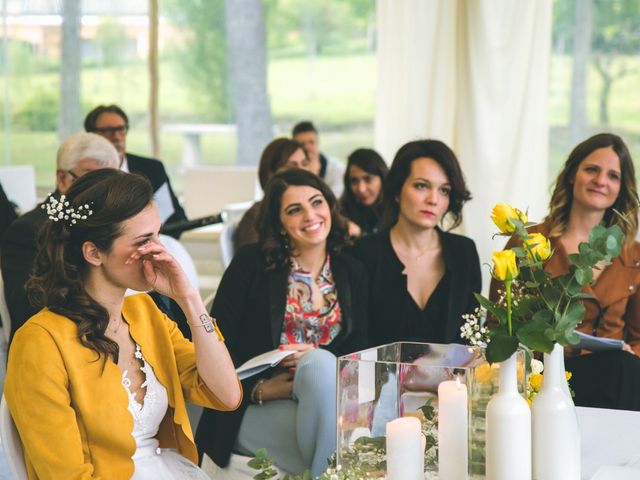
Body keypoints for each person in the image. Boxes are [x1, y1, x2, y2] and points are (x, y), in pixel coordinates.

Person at [4, 169, 241, 479]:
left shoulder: (146, 312)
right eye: (144, 241)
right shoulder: (40, 342)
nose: (160, 253)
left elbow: (226, 395)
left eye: (158, 235)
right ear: (93, 252)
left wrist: (190, 300)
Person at [196, 169, 368, 477]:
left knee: (319, 365)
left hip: (326, 405)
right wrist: (257, 389)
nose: (310, 215)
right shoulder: (250, 264)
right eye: (294, 210)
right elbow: (215, 347)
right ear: (279, 223)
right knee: (346, 450)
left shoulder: (352, 269)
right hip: (256, 407)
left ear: (330, 206)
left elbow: (362, 350)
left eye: (317, 203)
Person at [490, 133, 640, 411]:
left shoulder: (635, 256)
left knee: (624, 367)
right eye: (592, 169)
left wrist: (632, 353)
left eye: (613, 176)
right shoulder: (527, 243)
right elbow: (498, 328)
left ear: (622, 188)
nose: (601, 181)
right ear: (572, 175)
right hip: (545, 381)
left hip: (618, 382)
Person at [353, 139, 481, 346]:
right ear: (396, 190)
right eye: (421, 186)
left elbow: (469, 340)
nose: (433, 199)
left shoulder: (464, 253)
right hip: (379, 378)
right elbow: (357, 341)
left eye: (444, 190)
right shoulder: (365, 253)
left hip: (452, 378)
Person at [1, 133, 120, 341]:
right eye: (91, 179)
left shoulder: (113, 225)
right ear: (62, 178)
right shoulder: (27, 232)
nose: (102, 191)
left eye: (109, 181)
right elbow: (29, 310)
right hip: (53, 344)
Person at [84, 104, 188, 234]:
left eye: (121, 129)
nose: (116, 137)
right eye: (108, 131)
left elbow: (175, 218)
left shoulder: (152, 169)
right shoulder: (83, 171)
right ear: (91, 135)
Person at [233, 137, 311, 251]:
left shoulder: (316, 209)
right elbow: (250, 265)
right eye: (291, 167)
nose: (302, 172)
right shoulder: (254, 219)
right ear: (271, 174)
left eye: (305, 163)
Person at [340, 148, 388, 238]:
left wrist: (360, 234)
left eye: (368, 179)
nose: (361, 189)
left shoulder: (398, 211)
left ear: (382, 177)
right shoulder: (343, 211)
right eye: (354, 181)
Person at [292, 121, 345, 197]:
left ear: (318, 142)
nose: (307, 147)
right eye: (302, 144)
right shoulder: (291, 168)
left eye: (311, 142)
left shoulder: (337, 168)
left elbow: (332, 201)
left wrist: (312, 177)